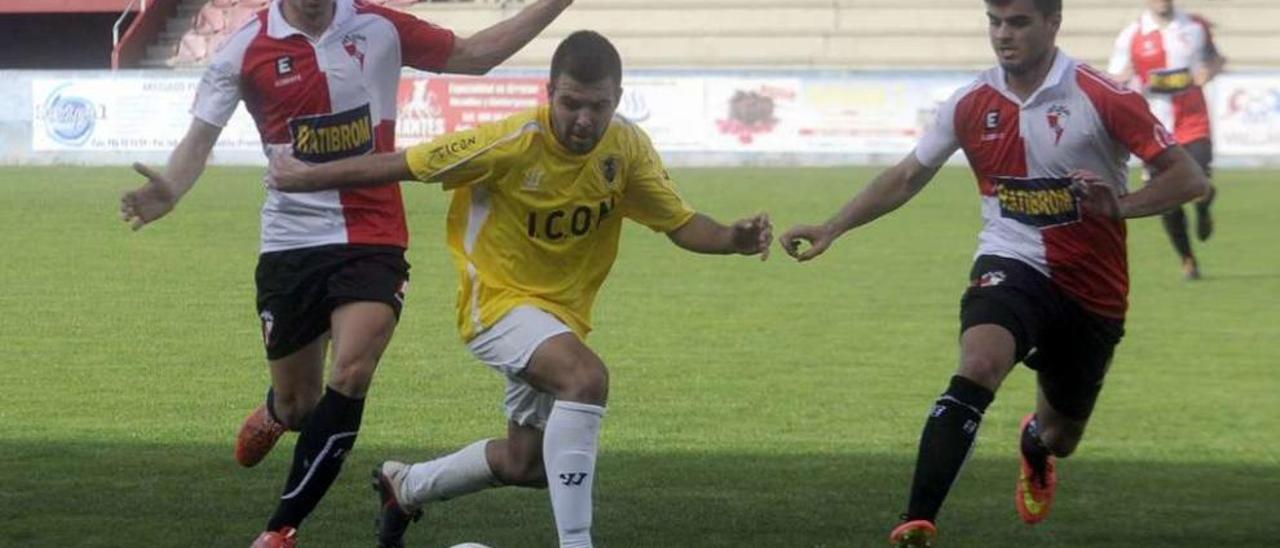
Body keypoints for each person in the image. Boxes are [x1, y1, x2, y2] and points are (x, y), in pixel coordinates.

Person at [267, 30, 773, 548]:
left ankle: (407, 486)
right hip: (497, 304)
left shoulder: (626, 149)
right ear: (549, 91)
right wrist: (302, 177)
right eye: (571, 103)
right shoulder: (510, 140)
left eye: (597, 107)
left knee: (527, 463)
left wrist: (733, 238)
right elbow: (402, 165)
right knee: (586, 379)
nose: (583, 120)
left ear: (617, 100)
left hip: (558, 318)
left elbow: (681, 223)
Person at [118, 0, 575, 546]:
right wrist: (170, 188)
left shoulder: (378, 26)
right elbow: (199, 139)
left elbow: (476, 55)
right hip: (292, 244)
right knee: (299, 404)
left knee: (353, 370)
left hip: (373, 236)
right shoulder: (244, 48)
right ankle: (276, 410)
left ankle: (279, 530)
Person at [778, 0, 1207, 545]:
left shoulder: (1105, 96)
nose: (1004, 35)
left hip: (1092, 288)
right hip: (1011, 260)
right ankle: (917, 520)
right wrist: (833, 227)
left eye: (1019, 22)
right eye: (995, 22)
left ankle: (1036, 444)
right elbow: (909, 175)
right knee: (979, 363)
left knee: (1062, 435)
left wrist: (1119, 206)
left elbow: (1188, 179)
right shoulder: (970, 101)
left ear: (1053, 23)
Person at [1108, 0, 1225, 280]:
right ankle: (1188, 260)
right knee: (1167, 199)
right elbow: (1114, 76)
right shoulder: (1131, 35)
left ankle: (1204, 200)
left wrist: (1210, 70)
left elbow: (1216, 58)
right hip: (1155, 129)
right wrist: (1120, 79)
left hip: (1194, 123)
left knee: (1195, 180)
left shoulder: (1195, 27)